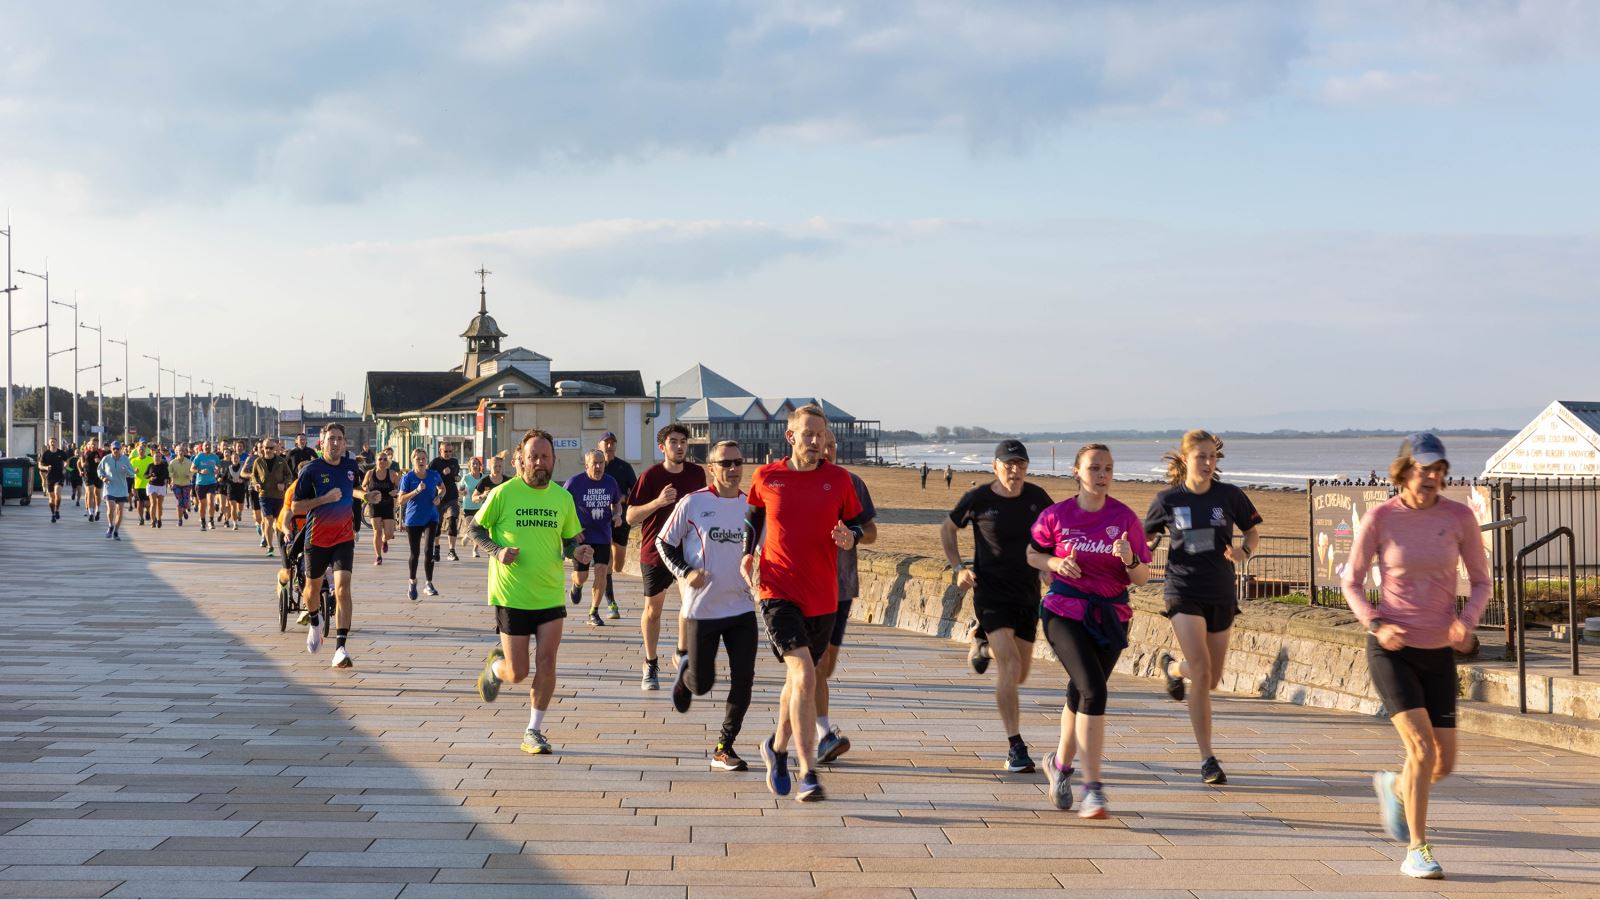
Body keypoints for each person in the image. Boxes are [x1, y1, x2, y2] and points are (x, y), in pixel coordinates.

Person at [1345, 433, 1490, 880]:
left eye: (1439, 469)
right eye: (1424, 468)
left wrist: (1466, 622)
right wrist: (1375, 623)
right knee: (1422, 749)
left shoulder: (1458, 517)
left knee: (1442, 764)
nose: (1432, 477)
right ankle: (1417, 849)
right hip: (1393, 648)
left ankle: (1394, 786)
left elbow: (1482, 581)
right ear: (1404, 470)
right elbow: (1350, 581)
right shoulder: (1381, 518)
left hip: (1439, 650)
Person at [743, 404, 866, 803]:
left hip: (823, 596)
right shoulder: (767, 476)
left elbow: (859, 523)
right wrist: (748, 552)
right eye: (808, 434)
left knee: (797, 680)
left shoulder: (839, 480)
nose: (815, 442)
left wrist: (852, 537)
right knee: (807, 678)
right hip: (778, 591)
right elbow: (753, 515)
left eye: (821, 436)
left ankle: (775, 748)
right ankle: (807, 771)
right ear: (790, 437)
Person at [1025, 444, 1152, 817]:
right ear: (1077, 472)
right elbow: (1032, 554)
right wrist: (1054, 562)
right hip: (1063, 611)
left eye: (1108, 469)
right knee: (1093, 690)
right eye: (1094, 467)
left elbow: (1142, 577)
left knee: (1079, 692)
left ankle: (1059, 766)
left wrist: (1128, 559)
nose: (1102, 475)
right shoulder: (1056, 515)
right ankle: (1092, 788)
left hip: (1111, 616)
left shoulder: (1125, 518)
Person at [1144, 429, 1262, 786]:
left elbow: (1253, 530)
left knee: (1209, 677)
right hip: (1182, 591)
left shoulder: (1229, 496)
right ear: (1184, 460)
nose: (1208, 463)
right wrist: (1138, 550)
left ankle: (1172, 668)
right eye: (1201, 457)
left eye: (1213, 457)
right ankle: (1207, 758)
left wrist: (1245, 551)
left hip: (1221, 592)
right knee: (1202, 666)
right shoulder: (1167, 500)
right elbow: (1145, 540)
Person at [470, 429, 591, 755]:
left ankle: (533, 731)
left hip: (550, 594)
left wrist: (577, 554)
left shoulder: (562, 498)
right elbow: (475, 528)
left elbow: (568, 543)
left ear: (554, 460)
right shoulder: (504, 494)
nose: (540, 462)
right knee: (518, 672)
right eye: (534, 456)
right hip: (512, 595)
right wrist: (496, 551)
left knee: (548, 662)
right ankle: (496, 669)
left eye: (546, 456)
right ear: (521, 461)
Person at [942, 439, 1054, 773]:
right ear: (995, 466)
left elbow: (1056, 533)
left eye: (1021, 464)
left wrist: (1050, 566)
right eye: (1008, 464)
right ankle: (1015, 747)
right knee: (1009, 664)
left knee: (1020, 672)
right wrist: (958, 568)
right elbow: (948, 528)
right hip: (990, 593)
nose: (1015, 471)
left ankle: (981, 644)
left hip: (1027, 593)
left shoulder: (1037, 497)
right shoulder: (979, 499)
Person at [657, 439, 757, 772]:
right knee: (704, 684)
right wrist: (686, 573)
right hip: (702, 609)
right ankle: (687, 674)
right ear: (711, 468)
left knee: (744, 679)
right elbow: (663, 542)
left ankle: (723, 748)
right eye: (725, 463)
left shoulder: (752, 508)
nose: (732, 469)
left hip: (741, 608)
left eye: (737, 462)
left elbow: (766, 552)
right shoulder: (693, 503)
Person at [626, 424, 707, 690]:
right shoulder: (650, 476)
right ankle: (650, 663)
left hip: (687, 553)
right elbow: (630, 517)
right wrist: (658, 502)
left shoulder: (697, 474)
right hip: (655, 551)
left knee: (691, 605)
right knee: (653, 611)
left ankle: (682, 653)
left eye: (684, 441)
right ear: (663, 447)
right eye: (673, 442)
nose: (680, 446)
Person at [814, 431, 877, 764]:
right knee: (816, 663)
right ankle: (823, 735)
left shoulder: (852, 482)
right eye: (821, 444)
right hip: (807, 587)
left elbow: (872, 532)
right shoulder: (794, 482)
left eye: (832, 446)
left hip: (842, 586)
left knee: (826, 666)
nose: (826, 450)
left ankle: (808, 723)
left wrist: (852, 535)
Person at [289, 423, 367, 667]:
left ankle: (341, 648)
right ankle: (314, 620)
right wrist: (324, 499)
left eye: (339, 439)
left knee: (343, 588)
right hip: (317, 538)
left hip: (343, 538)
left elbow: (354, 490)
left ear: (345, 444)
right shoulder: (311, 470)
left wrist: (367, 496)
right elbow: (296, 507)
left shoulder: (351, 466)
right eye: (331, 438)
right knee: (311, 591)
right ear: (321, 442)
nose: (335, 443)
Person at [563, 450, 622, 627]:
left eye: (601, 463)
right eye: (594, 463)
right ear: (586, 465)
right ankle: (577, 585)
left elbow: (616, 503)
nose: (598, 467)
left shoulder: (610, 482)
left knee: (602, 572)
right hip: (582, 536)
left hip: (603, 535)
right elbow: (561, 506)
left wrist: (618, 515)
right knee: (581, 576)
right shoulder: (574, 483)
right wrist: (571, 529)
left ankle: (594, 611)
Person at [398, 447, 445, 601]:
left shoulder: (433, 475)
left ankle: (429, 583)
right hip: (413, 519)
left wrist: (439, 497)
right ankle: (412, 581)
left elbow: (442, 488)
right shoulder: (408, 477)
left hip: (431, 517)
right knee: (415, 553)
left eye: (423, 458)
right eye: (418, 459)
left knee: (428, 550)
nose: (421, 461)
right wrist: (416, 491)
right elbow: (400, 500)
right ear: (413, 461)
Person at [599, 431, 636, 619]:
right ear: (600, 445)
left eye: (613, 442)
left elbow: (637, 493)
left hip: (621, 518)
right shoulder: (596, 467)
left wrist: (623, 498)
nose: (609, 445)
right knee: (606, 563)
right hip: (601, 520)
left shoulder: (624, 467)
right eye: (606, 442)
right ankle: (611, 602)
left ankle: (608, 577)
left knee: (618, 564)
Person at [250, 438, 294, 556]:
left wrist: (284, 484)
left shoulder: (281, 461)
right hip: (264, 495)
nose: (268, 450)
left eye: (271, 448)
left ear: (275, 449)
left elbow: (289, 475)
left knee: (279, 522)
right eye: (266, 448)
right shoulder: (258, 462)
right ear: (262, 448)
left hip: (279, 496)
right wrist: (256, 484)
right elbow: (253, 476)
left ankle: (284, 544)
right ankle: (270, 546)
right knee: (268, 520)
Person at [362, 449, 400, 565]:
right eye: (380, 459)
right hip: (375, 505)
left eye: (385, 459)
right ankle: (378, 556)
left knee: (389, 533)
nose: (382, 461)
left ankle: (384, 540)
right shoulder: (370, 473)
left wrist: (396, 492)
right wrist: (367, 492)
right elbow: (363, 486)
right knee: (377, 531)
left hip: (388, 505)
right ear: (376, 461)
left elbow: (400, 489)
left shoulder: (392, 474)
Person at [430, 443, 463, 563]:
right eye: (446, 451)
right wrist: (442, 474)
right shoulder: (434, 463)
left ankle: (452, 551)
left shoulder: (454, 462)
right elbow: (431, 478)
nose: (448, 454)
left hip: (452, 497)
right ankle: (436, 550)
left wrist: (457, 478)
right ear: (440, 451)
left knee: (452, 521)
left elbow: (455, 475)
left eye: (450, 451)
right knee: (437, 525)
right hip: (438, 497)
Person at [97, 441, 135, 540]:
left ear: (120, 449)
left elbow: (132, 474)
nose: (116, 450)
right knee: (111, 509)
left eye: (117, 449)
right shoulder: (106, 458)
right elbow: (99, 470)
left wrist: (126, 469)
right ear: (111, 449)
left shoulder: (125, 459)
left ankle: (116, 531)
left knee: (120, 511)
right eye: (114, 449)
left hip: (122, 488)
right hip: (109, 487)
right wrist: (103, 477)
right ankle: (110, 525)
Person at [460, 455, 487, 558]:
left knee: (478, 529)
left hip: (480, 506)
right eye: (473, 464)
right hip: (468, 506)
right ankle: (468, 534)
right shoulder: (466, 477)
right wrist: (463, 491)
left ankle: (475, 550)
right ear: (469, 466)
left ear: (480, 465)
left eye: (477, 464)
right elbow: (461, 490)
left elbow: (488, 489)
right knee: (472, 527)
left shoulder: (484, 477)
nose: (475, 465)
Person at [39, 437, 71, 523]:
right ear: (49, 444)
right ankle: (53, 514)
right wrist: (46, 467)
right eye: (51, 442)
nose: (53, 443)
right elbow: (40, 465)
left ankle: (57, 510)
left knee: (57, 493)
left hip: (59, 476)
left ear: (57, 443)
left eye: (54, 442)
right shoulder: (46, 454)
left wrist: (65, 467)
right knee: (51, 498)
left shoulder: (61, 452)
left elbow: (67, 461)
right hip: (50, 477)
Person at [191, 441, 222, 532]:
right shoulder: (199, 456)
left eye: (209, 445)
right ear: (203, 447)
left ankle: (211, 521)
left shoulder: (215, 457)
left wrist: (217, 470)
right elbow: (192, 468)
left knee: (210, 501)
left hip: (211, 482)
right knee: (202, 504)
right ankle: (203, 522)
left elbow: (218, 466)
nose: (207, 447)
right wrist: (200, 471)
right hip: (200, 483)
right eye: (206, 445)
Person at [128, 439, 154, 526]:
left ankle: (147, 511)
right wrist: (134, 472)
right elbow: (129, 473)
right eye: (140, 450)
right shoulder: (133, 461)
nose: (141, 451)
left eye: (143, 450)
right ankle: (141, 518)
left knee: (147, 503)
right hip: (137, 485)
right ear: (137, 451)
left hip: (148, 485)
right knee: (139, 503)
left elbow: (155, 469)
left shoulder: (150, 459)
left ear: (145, 451)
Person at [144, 446, 170, 528]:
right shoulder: (150, 465)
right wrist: (150, 476)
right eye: (156, 456)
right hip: (152, 486)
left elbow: (167, 475)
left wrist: (167, 481)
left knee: (160, 505)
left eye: (159, 456)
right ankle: (153, 521)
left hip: (161, 486)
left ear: (161, 458)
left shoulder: (164, 465)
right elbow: (145, 475)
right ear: (153, 457)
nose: (158, 458)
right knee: (153, 503)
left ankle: (159, 519)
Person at [80, 439, 105, 521]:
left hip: (98, 475)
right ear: (89, 444)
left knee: (97, 494)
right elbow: (80, 461)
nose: (93, 446)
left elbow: (106, 464)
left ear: (98, 445)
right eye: (91, 444)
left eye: (95, 444)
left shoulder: (101, 453)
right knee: (90, 493)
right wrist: (82, 465)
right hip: (88, 475)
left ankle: (97, 510)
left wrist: (100, 461)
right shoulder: (86, 452)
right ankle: (90, 513)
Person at [168, 444, 193, 527]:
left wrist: (189, 475)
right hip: (176, 484)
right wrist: (172, 475)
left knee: (186, 503)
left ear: (185, 452)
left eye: (182, 450)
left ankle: (184, 510)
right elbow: (169, 472)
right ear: (176, 452)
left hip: (186, 484)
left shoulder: (189, 462)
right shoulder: (172, 462)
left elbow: (192, 470)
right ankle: (179, 520)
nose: (181, 452)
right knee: (179, 502)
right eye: (179, 450)